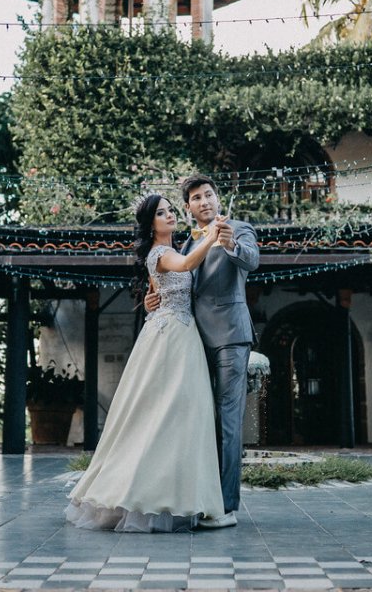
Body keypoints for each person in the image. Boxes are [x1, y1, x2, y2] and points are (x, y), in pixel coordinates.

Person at [65, 194, 225, 532]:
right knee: (164, 412)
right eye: (161, 213)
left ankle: (178, 495)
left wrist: (153, 303)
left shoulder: (173, 249)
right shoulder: (162, 253)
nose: (169, 216)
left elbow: (158, 293)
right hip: (171, 340)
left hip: (177, 333)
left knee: (179, 415)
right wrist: (212, 236)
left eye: (170, 210)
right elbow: (184, 267)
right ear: (150, 223)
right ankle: (145, 494)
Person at [145, 174, 260, 528]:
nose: (205, 201)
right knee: (197, 421)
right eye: (197, 197)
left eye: (209, 194)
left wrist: (229, 245)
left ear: (217, 199)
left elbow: (252, 261)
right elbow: (178, 286)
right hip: (193, 343)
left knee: (227, 420)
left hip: (229, 336)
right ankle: (200, 498)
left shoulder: (237, 228)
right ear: (188, 207)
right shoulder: (182, 248)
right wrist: (155, 302)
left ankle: (226, 507)